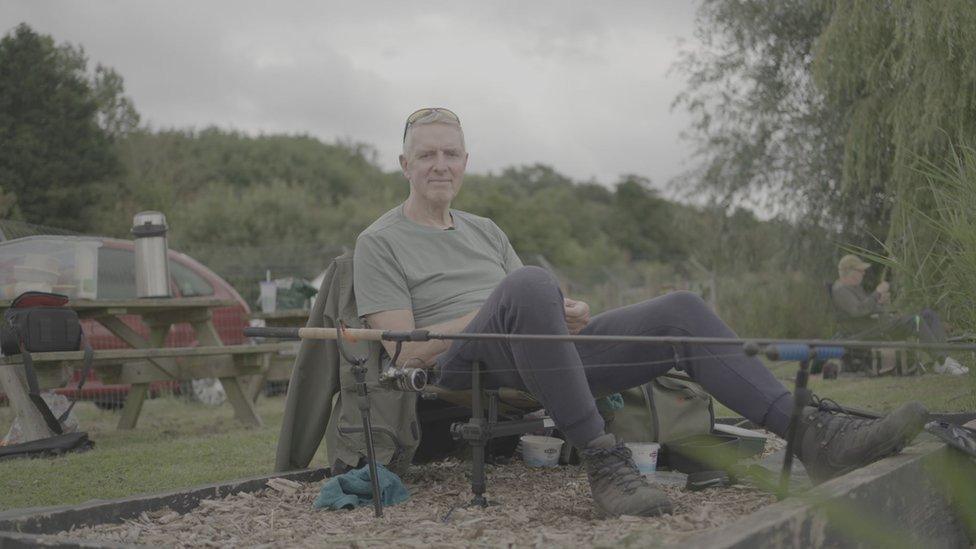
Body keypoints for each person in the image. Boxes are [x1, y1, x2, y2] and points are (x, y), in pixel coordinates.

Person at [353, 108, 929, 518]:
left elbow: (526, 302)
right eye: (426, 154)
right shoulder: (380, 242)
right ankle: (605, 465)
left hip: (532, 349)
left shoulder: (486, 230)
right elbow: (405, 352)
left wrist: (563, 312)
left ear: (465, 162)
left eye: (450, 154)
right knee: (531, 282)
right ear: (404, 163)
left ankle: (815, 436)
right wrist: (506, 307)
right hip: (462, 366)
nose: (439, 164)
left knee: (678, 308)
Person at [832, 254, 968, 376]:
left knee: (928, 314)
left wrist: (880, 302)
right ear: (850, 272)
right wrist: (877, 293)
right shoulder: (840, 290)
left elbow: (867, 308)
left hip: (881, 325)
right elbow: (858, 311)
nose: (863, 273)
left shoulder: (853, 288)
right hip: (869, 331)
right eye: (860, 270)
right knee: (916, 321)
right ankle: (942, 361)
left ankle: (942, 361)